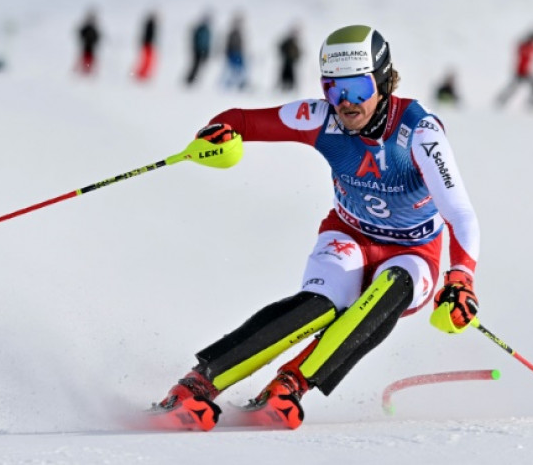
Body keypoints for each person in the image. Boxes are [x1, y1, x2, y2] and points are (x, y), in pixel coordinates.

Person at [155, 25, 481, 431]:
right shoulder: (320, 118)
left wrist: (461, 278)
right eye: (334, 89)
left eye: (359, 89)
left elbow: (460, 213)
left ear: (383, 81)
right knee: (321, 305)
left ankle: (290, 384)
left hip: (414, 252)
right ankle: (195, 385)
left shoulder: (420, 131)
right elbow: (240, 120)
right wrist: (217, 132)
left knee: (393, 287)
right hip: (350, 235)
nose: (346, 103)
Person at [184, 11, 212, 86]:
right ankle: (190, 80)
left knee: (200, 66)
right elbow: (195, 40)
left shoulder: (207, 30)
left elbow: (207, 42)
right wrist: (195, 48)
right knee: (195, 65)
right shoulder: (200, 29)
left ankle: (194, 80)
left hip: (203, 50)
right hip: (197, 50)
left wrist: (207, 50)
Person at [221, 12, 247, 90]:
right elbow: (228, 44)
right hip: (233, 53)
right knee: (232, 70)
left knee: (240, 69)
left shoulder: (239, 32)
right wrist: (228, 53)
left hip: (239, 53)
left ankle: (240, 83)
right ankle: (228, 84)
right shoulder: (233, 32)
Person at [133, 11, 158, 81]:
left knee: (147, 60)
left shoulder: (150, 24)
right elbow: (148, 35)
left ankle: (142, 73)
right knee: (146, 60)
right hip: (147, 44)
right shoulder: (150, 24)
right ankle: (140, 74)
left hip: (148, 44)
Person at [76, 8, 102, 75]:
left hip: (91, 46)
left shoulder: (92, 28)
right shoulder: (87, 27)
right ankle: (84, 70)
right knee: (85, 58)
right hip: (86, 45)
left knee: (90, 59)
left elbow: (97, 36)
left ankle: (88, 70)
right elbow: (80, 34)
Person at [277, 24, 302, 91]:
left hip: (291, 61)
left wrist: (297, 57)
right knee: (285, 73)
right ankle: (283, 86)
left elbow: (298, 52)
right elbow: (281, 47)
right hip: (287, 61)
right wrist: (284, 54)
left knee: (291, 74)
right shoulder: (287, 41)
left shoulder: (295, 43)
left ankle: (291, 87)